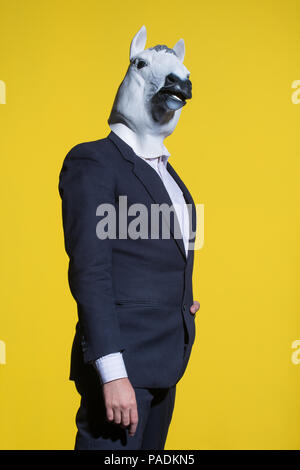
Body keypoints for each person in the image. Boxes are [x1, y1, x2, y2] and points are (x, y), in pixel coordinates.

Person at [58, 25, 200, 450]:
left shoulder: (171, 177)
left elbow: (158, 257)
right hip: (122, 370)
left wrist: (178, 302)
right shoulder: (94, 161)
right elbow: (91, 269)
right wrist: (112, 371)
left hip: (166, 361)